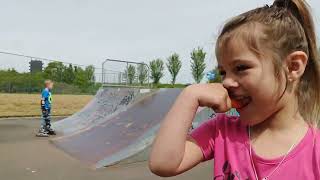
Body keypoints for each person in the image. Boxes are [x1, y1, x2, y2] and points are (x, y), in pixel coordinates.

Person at [149, 0, 320, 179]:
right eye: (223, 72)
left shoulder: (316, 151)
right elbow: (163, 164)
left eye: (241, 68)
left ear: (293, 66)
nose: (227, 83)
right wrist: (189, 96)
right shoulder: (221, 131)